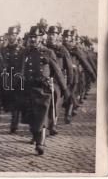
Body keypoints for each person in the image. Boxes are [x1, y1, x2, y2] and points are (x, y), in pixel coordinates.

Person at [21, 26, 70, 155]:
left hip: (43, 89)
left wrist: (64, 89)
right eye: (31, 37)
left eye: (36, 37)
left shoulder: (48, 52)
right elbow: (21, 69)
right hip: (29, 88)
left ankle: (40, 143)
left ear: (41, 38)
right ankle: (36, 136)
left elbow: (57, 71)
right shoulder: (26, 52)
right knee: (32, 118)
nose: (33, 39)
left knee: (42, 116)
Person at [45, 26, 74, 134]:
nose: (51, 36)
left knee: (56, 101)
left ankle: (53, 125)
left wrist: (68, 83)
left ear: (57, 36)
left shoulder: (62, 50)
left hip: (58, 80)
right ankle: (45, 123)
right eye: (49, 34)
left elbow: (69, 67)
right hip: (47, 78)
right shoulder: (44, 48)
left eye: (53, 34)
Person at [0, 25, 24, 134]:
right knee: (7, 101)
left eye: (14, 35)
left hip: (17, 78)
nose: (12, 37)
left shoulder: (21, 50)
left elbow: (23, 65)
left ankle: (14, 124)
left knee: (16, 102)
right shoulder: (3, 49)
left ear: (17, 35)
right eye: (10, 35)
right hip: (6, 77)